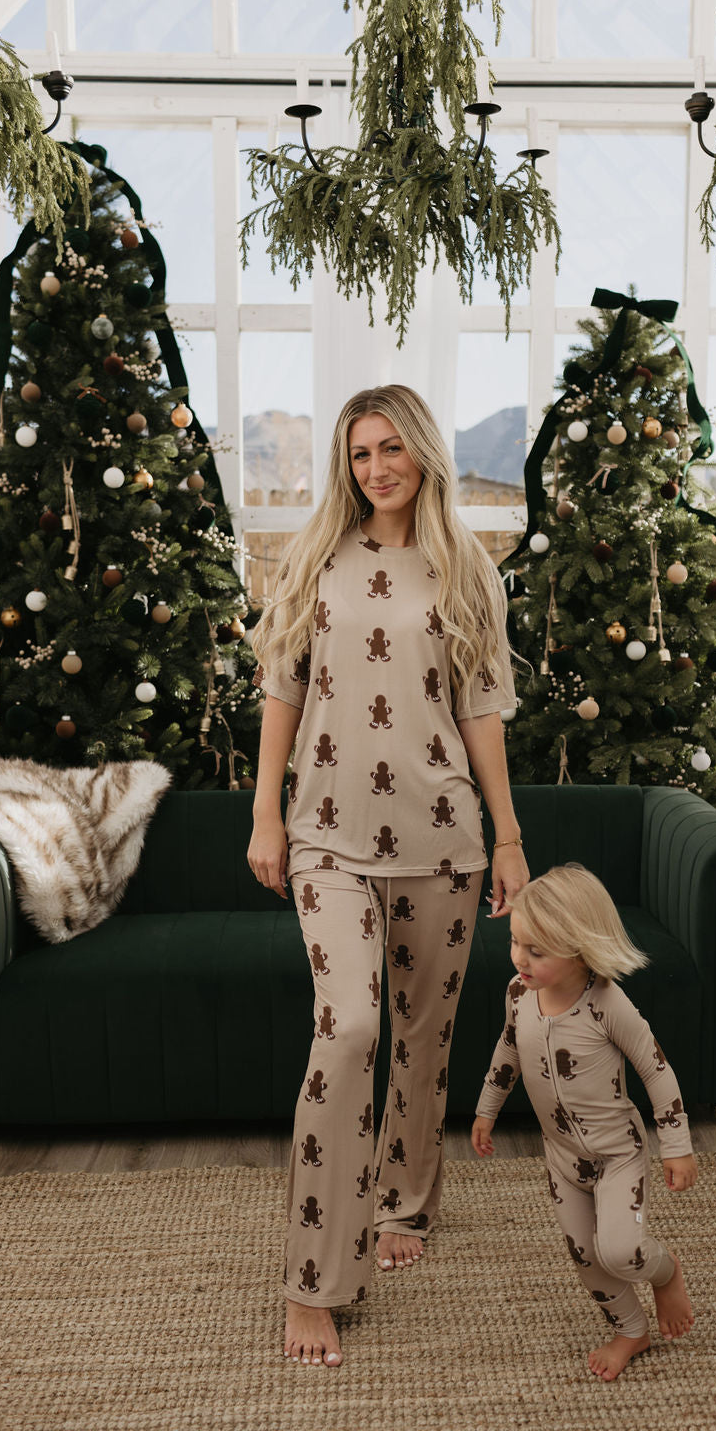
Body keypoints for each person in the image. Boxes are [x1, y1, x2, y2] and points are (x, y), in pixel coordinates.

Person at [248, 384, 529, 1367]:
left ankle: (406, 1199)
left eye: (392, 447)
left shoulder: (465, 568)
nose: (378, 465)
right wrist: (265, 813)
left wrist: (506, 837)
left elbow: (483, 708)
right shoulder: (315, 561)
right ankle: (314, 1279)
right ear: (346, 464)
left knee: (422, 1034)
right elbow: (281, 686)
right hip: (327, 835)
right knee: (351, 1026)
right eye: (361, 452)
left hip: (444, 837)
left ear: (423, 453)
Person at [471, 863, 697, 1382]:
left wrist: (677, 1144)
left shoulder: (606, 1003)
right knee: (585, 1258)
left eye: (536, 951)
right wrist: (487, 1108)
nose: (519, 960)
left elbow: (656, 1069)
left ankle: (665, 1271)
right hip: (562, 1157)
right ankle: (630, 1330)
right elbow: (507, 1052)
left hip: (618, 1154)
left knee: (620, 1251)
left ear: (578, 950)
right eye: (515, 943)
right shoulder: (518, 994)